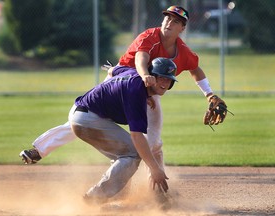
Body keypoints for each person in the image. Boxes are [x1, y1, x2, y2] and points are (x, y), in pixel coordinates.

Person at [20, 6, 225, 170]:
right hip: (122, 80)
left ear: (182, 28)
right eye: (168, 18)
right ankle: (40, 149)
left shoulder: (183, 52)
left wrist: (209, 94)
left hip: (148, 89)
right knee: (87, 116)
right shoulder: (150, 37)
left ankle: (147, 180)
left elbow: (196, 70)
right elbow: (140, 58)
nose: (170, 22)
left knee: (153, 139)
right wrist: (144, 76)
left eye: (176, 21)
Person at [70, 58, 177, 201]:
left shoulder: (133, 73)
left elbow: (112, 70)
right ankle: (95, 197)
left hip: (82, 114)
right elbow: (137, 136)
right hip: (89, 119)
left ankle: (117, 195)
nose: (165, 83)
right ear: (151, 76)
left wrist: (142, 95)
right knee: (134, 152)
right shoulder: (136, 92)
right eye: (161, 78)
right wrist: (154, 168)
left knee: (124, 154)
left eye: (168, 80)